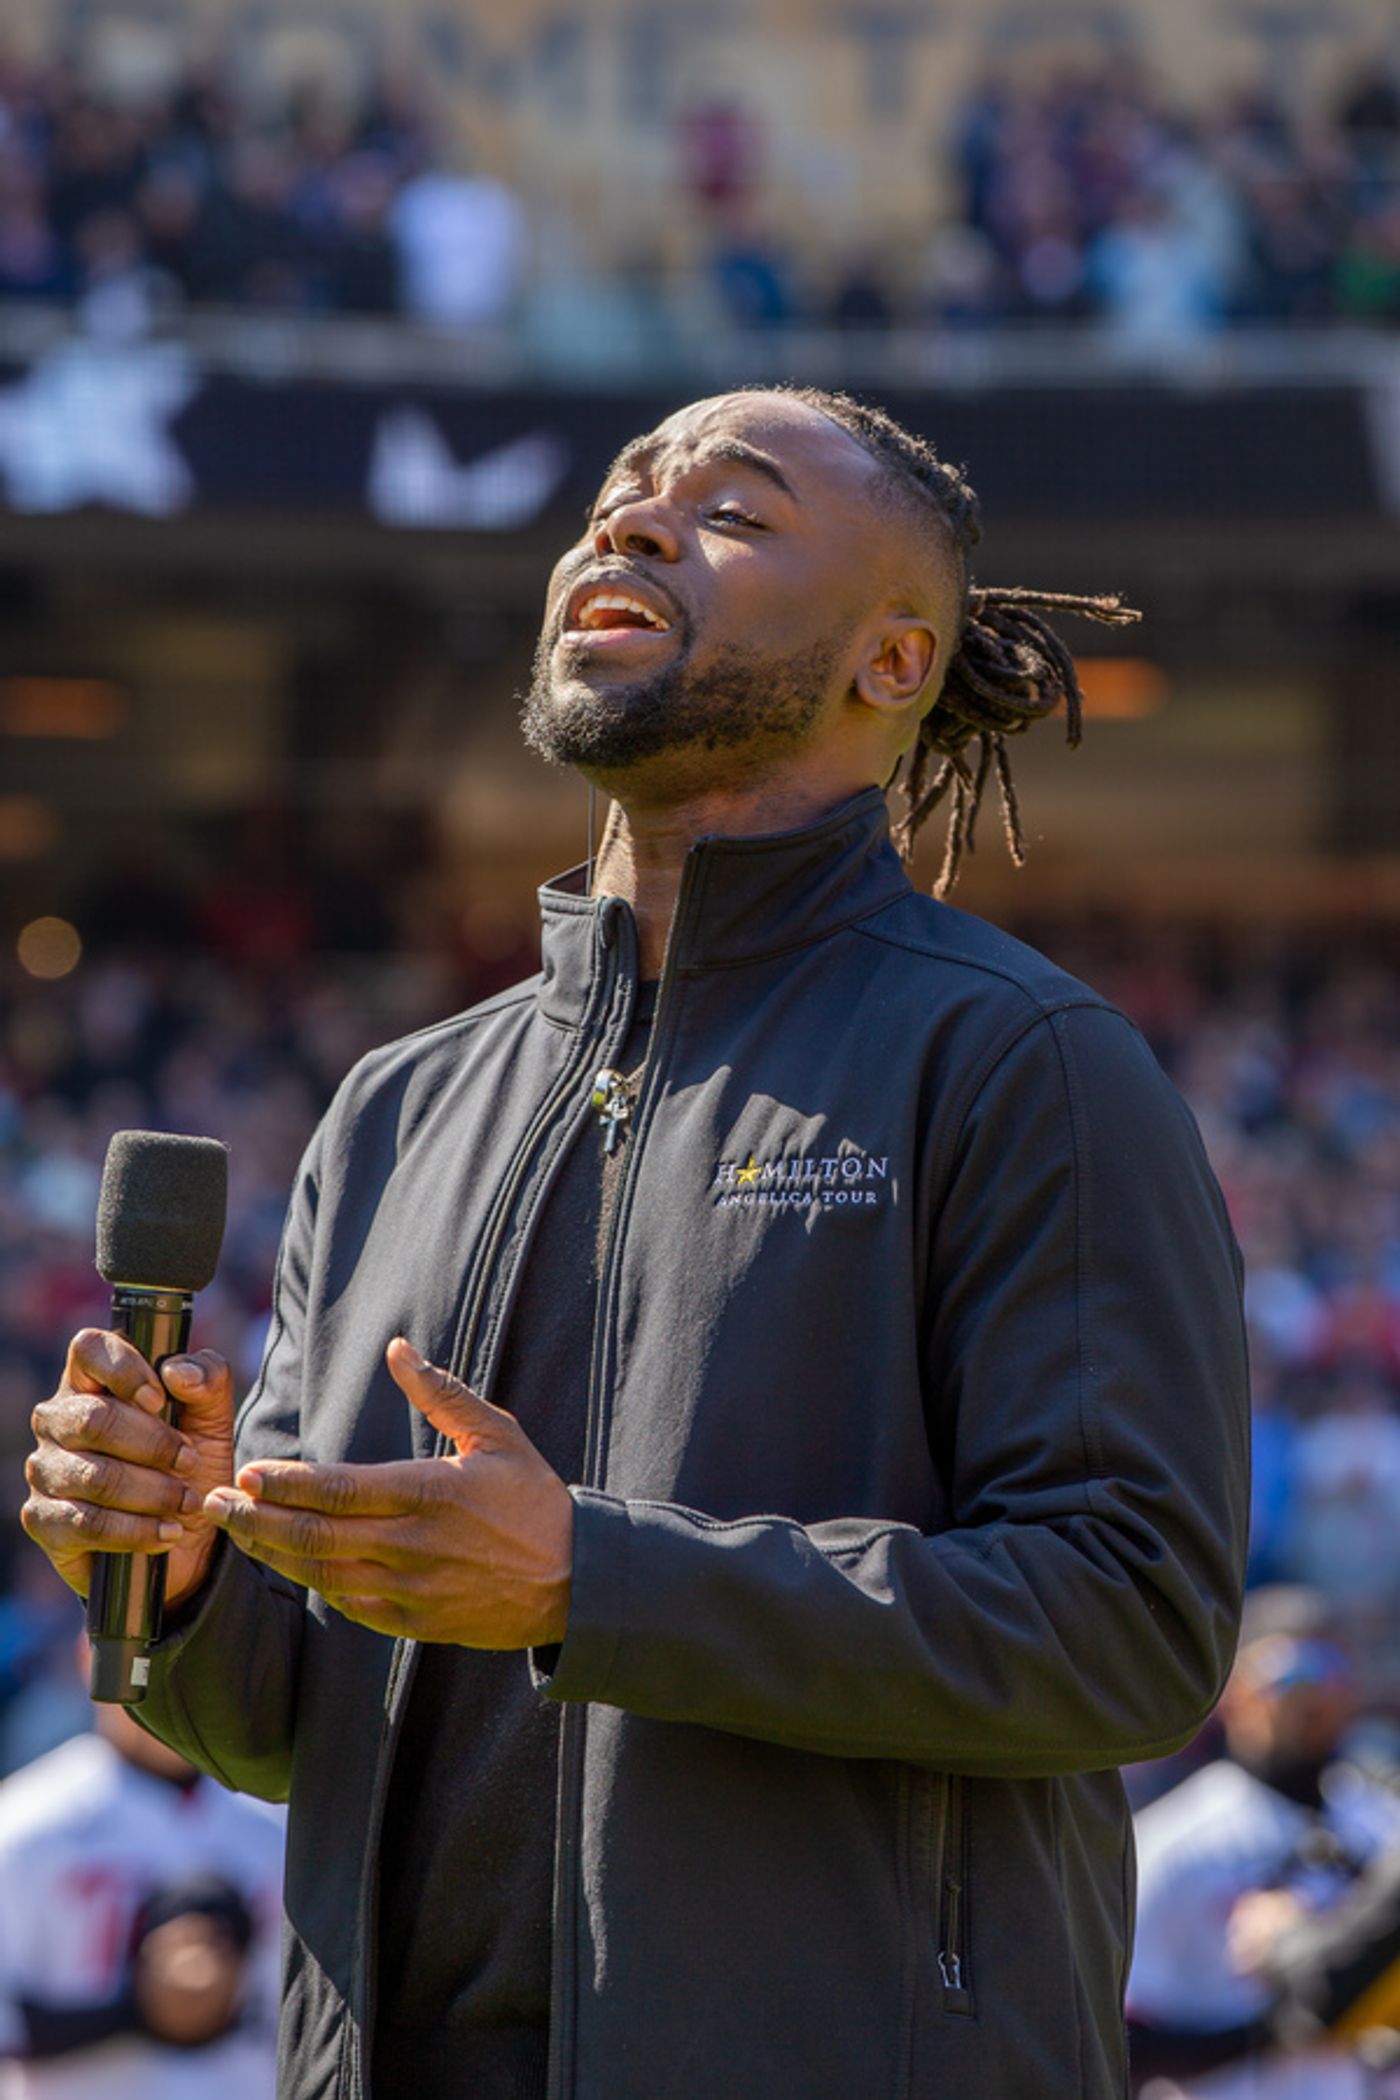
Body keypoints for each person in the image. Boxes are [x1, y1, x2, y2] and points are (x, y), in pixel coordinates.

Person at [22, 386, 1251, 2100]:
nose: (636, 521)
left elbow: (1132, 1626)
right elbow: (299, 1723)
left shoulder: (1022, 1065)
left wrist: (592, 1580)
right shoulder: (393, 1105)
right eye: (619, 496)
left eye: (735, 514)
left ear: (891, 663)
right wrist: (187, 1572)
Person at [1127, 1597, 1400, 2097]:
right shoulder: (1172, 1840)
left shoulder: (1383, 1824)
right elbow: (1119, 2042)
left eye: (1334, 1670)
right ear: (1234, 1691)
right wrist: (1268, 2032)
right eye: (1291, 1670)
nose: (1314, 1694)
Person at [0, 1646, 284, 2099]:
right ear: (90, 1662)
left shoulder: (278, 1826)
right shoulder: (24, 1822)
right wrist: (137, 2009)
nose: (165, 1684)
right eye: (142, 1658)